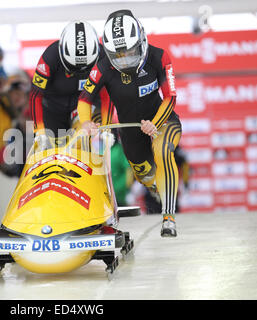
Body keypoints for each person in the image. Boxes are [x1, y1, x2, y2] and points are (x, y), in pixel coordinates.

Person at [77, 10, 182, 237]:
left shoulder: (159, 56)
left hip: (162, 121)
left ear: (141, 40)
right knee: (144, 174)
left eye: (129, 52)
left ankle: (169, 217)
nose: (124, 59)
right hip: (130, 129)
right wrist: (86, 122)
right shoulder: (103, 67)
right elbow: (84, 100)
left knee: (162, 151)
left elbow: (170, 97)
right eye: (118, 55)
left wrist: (155, 123)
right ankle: (158, 187)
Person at [30, 21, 110, 137]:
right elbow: (35, 95)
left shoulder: (103, 57)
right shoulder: (50, 57)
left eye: (87, 67)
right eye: (74, 67)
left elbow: (106, 95)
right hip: (54, 109)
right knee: (53, 149)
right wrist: (39, 130)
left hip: (88, 103)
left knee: (94, 138)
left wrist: (106, 128)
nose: (80, 72)